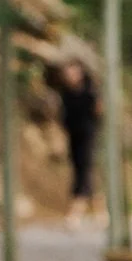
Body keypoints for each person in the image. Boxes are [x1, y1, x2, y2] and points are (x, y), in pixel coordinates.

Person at [49, 59, 100, 225]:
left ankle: (75, 212)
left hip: (88, 135)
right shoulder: (65, 93)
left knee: (83, 172)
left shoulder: (90, 91)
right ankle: (100, 210)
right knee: (81, 169)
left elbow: (98, 113)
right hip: (73, 136)